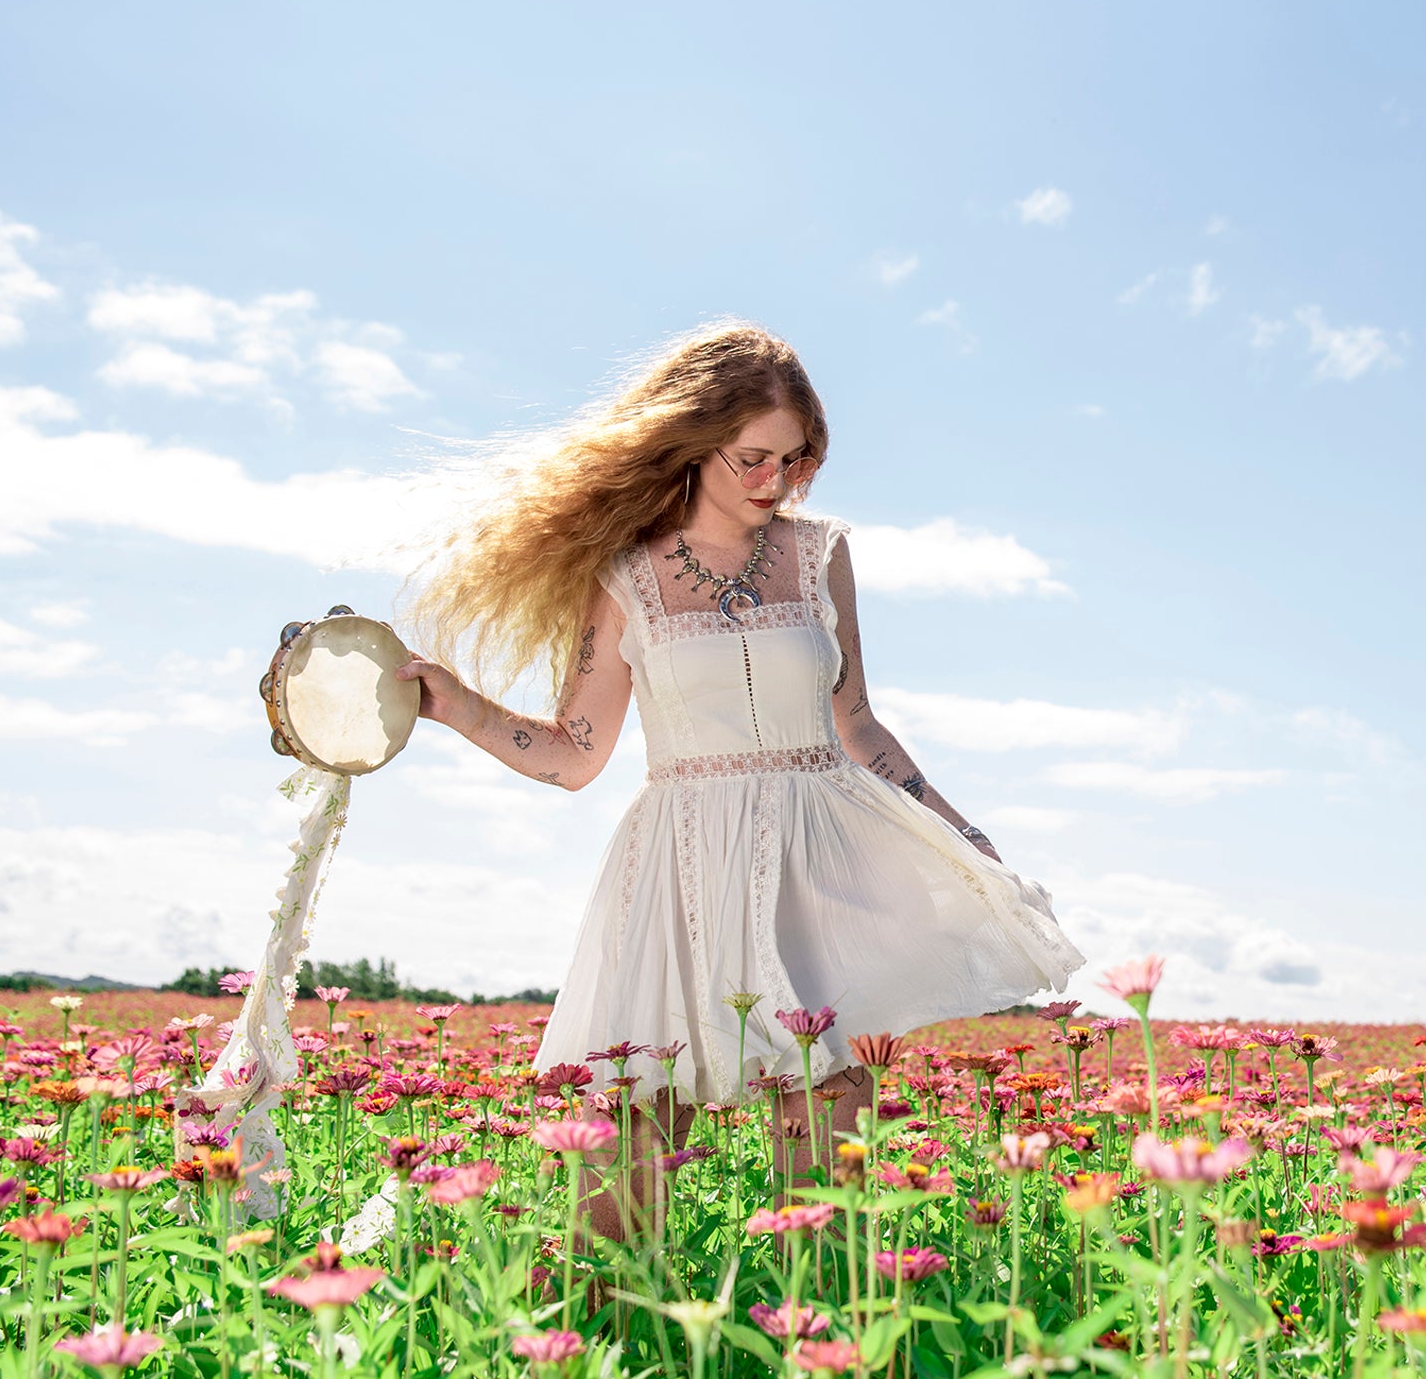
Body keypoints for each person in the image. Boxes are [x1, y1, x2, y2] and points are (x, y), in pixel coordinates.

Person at [403, 322, 1081, 1202]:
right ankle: (606, 1327)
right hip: (679, 867)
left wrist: (962, 831)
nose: (776, 482)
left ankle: (829, 1331)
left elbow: (858, 720)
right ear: (691, 444)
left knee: (828, 1177)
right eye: (751, 458)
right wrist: (457, 705)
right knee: (626, 1169)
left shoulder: (821, 552)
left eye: (795, 460)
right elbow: (574, 755)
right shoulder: (622, 573)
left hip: (817, 863)